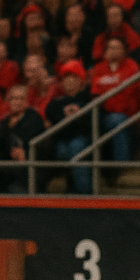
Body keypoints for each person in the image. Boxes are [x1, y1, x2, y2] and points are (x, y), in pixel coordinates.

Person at [88, 37, 140, 165]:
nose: (113, 51)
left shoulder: (131, 66)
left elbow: (128, 94)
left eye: (117, 47)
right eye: (110, 48)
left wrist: (108, 92)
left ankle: (121, 165)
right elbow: (95, 93)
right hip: (104, 114)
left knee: (117, 121)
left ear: (124, 50)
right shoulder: (99, 68)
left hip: (127, 114)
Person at [46, 61, 94, 194]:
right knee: (62, 150)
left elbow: (91, 124)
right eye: (66, 79)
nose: (70, 82)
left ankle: (84, 194)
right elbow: (53, 118)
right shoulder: (56, 103)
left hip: (83, 140)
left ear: (81, 81)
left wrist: (79, 116)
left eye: (74, 78)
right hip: (61, 141)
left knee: (76, 147)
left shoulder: (88, 100)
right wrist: (66, 116)